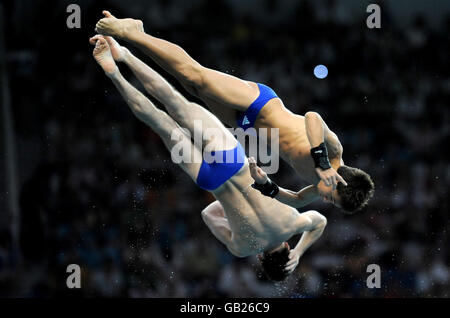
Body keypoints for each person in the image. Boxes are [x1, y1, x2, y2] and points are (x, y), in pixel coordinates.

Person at [90, 34, 327, 281]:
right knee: (159, 122)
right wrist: (229, 203)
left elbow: (319, 221)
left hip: (234, 163)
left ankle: (125, 55)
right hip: (210, 180)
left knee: (175, 103)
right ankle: (114, 74)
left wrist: (300, 252)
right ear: (260, 259)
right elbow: (208, 214)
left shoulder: (294, 223)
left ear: (288, 247)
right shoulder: (241, 248)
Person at [94, 11, 375, 213]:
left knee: (191, 87)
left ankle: (139, 33)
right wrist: (322, 161)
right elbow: (313, 117)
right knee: (196, 77)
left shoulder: (318, 187)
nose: (326, 201)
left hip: (244, 123)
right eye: (332, 199)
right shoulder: (334, 151)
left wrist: (267, 185)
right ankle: (130, 32)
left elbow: (296, 200)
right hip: (260, 102)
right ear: (339, 182)